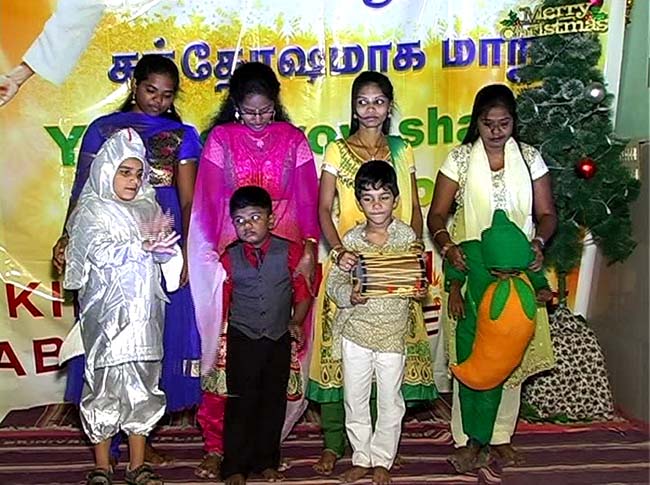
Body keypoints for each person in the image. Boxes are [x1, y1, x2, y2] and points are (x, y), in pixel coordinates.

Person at [52, 53, 202, 464]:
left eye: (167, 95)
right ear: (134, 85)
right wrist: (68, 236)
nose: (158, 100)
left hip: (158, 240)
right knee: (106, 337)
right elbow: (84, 189)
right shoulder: (103, 129)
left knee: (153, 338)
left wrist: (186, 251)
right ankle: (106, 437)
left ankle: (141, 436)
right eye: (151, 90)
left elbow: (188, 201)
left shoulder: (182, 135)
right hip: (107, 239)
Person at [189, 61, 319, 479]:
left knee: (280, 358)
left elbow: (308, 197)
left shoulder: (293, 139)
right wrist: (208, 258)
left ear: (276, 105)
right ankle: (218, 446)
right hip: (232, 247)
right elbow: (209, 201)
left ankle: (267, 449)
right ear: (235, 107)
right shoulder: (221, 139)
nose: (259, 119)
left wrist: (309, 248)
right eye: (250, 112)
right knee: (223, 354)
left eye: (266, 111)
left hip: (287, 246)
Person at [309, 71, 437, 475]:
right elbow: (323, 208)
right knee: (347, 375)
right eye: (362, 102)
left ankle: (383, 454)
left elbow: (413, 208)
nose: (370, 109)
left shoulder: (402, 148)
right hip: (350, 265)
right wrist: (341, 253)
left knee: (391, 376)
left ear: (389, 106)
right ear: (353, 106)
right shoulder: (337, 149)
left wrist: (411, 254)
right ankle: (343, 448)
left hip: (395, 271)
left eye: (379, 101)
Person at [426, 84, 557, 473]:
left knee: (510, 351)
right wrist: (448, 246)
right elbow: (437, 214)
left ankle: (500, 436)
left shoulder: (530, 158)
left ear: (514, 122)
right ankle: (466, 438)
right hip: (472, 271)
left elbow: (547, 214)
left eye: (504, 123)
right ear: (477, 123)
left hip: (518, 270)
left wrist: (537, 243)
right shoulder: (461, 159)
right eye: (488, 124)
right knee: (471, 356)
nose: (497, 131)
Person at [63, 128, 179, 485]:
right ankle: (102, 466)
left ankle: (137, 465)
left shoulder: (148, 206)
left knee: (144, 383)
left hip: (145, 314)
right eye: (125, 172)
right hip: (107, 315)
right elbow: (97, 252)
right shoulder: (92, 209)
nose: (133, 180)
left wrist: (165, 252)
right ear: (106, 170)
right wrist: (139, 247)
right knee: (104, 384)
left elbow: (164, 253)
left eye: (139, 173)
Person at [326, 161, 428, 485]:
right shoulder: (351, 241)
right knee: (355, 399)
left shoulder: (407, 237)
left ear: (395, 199)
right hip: (356, 332)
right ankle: (361, 457)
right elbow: (334, 284)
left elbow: (416, 280)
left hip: (392, 334)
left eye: (384, 197)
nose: (377, 205)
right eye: (368, 199)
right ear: (359, 203)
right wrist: (349, 295)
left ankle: (383, 459)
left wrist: (419, 288)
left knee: (390, 401)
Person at [219, 186, 312, 485]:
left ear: (271, 220)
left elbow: (303, 292)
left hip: (277, 338)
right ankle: (235, 466)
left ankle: (267, 461)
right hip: (242, 338)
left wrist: (296, 321)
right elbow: (220, 300)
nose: (247, 225)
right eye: (240, 220)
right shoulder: (228, 257)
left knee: (273, 401)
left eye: (255, 217)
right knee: (240, 403)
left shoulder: (291, 252)